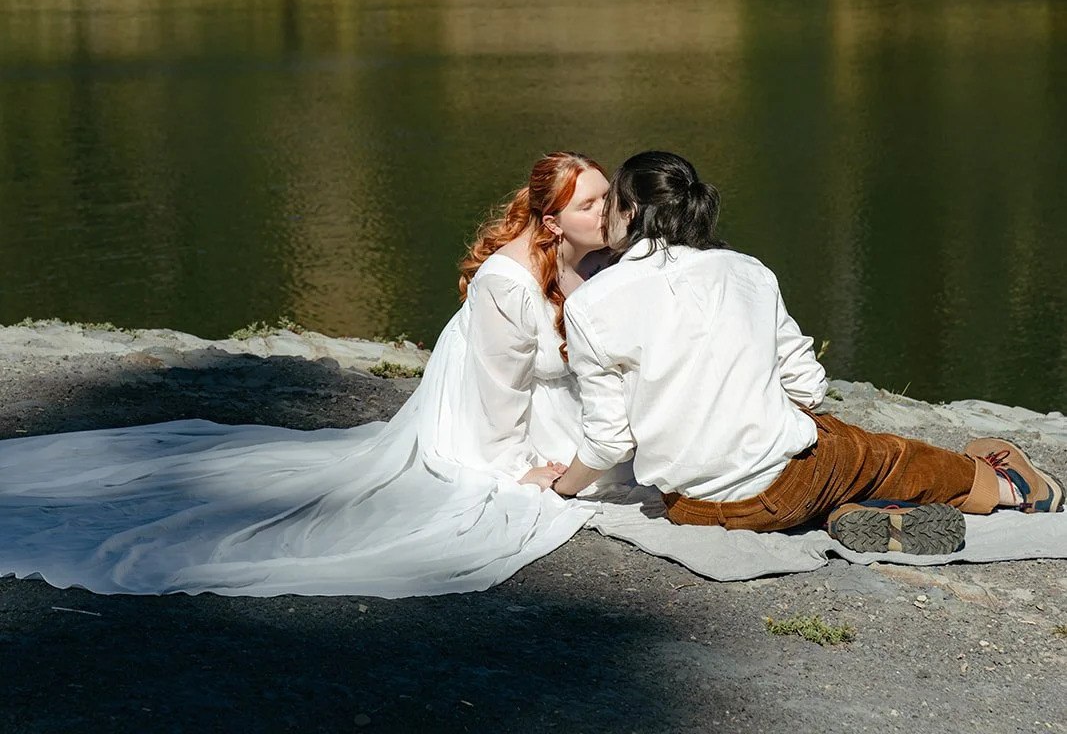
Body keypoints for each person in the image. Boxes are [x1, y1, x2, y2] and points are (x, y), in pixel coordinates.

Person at [0, 152, 610, 597]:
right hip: (483, 413)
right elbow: (496, 395)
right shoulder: (506, 283)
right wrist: (515, 468)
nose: (608, 211)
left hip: (545, 404)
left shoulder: (590, 253)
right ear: (551, 222)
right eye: (591, 203)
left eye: (606, 197)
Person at [549, 151, 1063, 556]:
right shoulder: (746, 271)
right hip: (785, 488)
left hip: (691, 506)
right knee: (879, 454)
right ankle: (1011, 487)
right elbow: (807, 387)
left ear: (631, 211)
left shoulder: (592, 303)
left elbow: (609, 438)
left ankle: (846, 513)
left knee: (824, 461)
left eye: (610, 202)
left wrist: (565, 488)